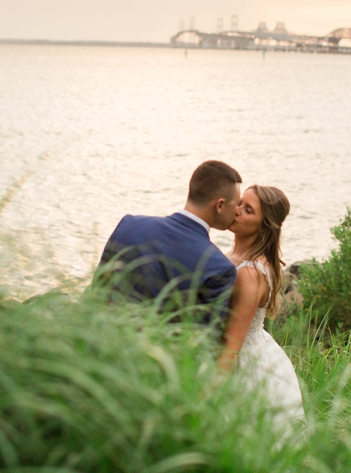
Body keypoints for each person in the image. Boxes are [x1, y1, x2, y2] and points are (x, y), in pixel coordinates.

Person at [96, 160, 242, 328]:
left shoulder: (129, 225)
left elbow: (97, 292)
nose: (237, 211)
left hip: (99, 342)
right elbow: (206, 340)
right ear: (220, 205)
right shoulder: (218, 267)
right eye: (237, 204)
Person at [218, 184, 306, 433]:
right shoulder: (233, 256)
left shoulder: (250, 274)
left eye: (248, 210)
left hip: (247, 364)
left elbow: (233, 344)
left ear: (264, 226)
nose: (236, 211)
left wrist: (210, 393)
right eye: (239, 203)